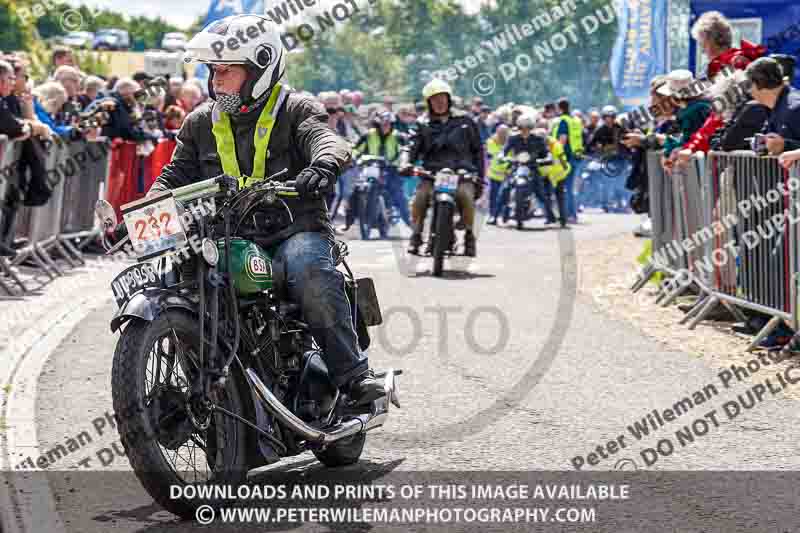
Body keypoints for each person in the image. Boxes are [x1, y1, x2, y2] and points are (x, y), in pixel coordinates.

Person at [151, 14, 384, 406]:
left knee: (307, 268)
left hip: (293, 230)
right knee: (175, 274)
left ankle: (353, 377)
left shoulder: (296, 108)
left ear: (260, 67)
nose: (216, 80)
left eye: (227, 71)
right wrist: (143, 210)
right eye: (213, 71)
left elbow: (328, 141)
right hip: (226, 236)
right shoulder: (198, 124)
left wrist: (323, 164)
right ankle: (204, 386)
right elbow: (172, 176)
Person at [406, 78, 483, 257]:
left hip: (462, 173)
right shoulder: (422, 124)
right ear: (428, 103)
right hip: (431, 174)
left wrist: (478, 176)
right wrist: (405, 163)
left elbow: (478, 150)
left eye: (442, 98)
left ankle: (469, 237)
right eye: (434, 100)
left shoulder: (465, 121)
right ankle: (416, 236)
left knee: (466, 196)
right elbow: (410, 146)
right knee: (419, 199)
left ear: (449, 99)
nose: (439, 103)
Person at [353, 111, 410, 237]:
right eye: (383, 124)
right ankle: (350, 221)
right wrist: (354, 158)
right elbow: (356, 149)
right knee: (356, 191)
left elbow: (404, 152)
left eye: (388, 124)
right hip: (370, 167)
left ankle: (413, 226)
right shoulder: (368, 135)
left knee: (398, 196)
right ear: (377, 124)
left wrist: (402, 163)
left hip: (391, 169)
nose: (385, 126)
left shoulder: (398, 136)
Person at [497, 112, 558, 226]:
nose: (525, 130)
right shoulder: (513, 138)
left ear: (531, 128)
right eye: (522, 128)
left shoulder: (538, 139)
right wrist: (502, 157)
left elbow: (546, 153)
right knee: (505, 189)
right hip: (516, 166)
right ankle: (496, 216)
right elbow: (504, 150)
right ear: (519, 127)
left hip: (532, 167)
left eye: (528, 128)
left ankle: (551, 217)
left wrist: (548, 159)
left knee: (541, 193)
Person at [745, 57, 800, 155]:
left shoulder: (795, 108)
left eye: (748, 85)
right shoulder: (770, 107)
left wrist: (785, 145)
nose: (748, 91)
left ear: (759, 83)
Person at [550, 97, 583, 223]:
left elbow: (562, 140)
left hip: (565, 158)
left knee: (564, 187)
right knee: (569, 187)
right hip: (576, 156)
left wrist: (556, 154)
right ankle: (570, 214)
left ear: (559, 108)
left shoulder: (563, 121)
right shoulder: (575, 120)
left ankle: (569, 215)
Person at [486, 124, 510, 225]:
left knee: (505, 196)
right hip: (495, 174)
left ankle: (505, 215)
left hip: (507, 174)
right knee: (493, 196)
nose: (502, 135)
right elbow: (496, 156)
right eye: (500, 133)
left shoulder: (511, 141)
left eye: (504, 133)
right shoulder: (491, 142)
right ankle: (492, 214)